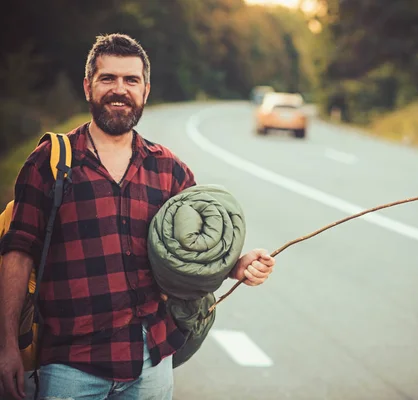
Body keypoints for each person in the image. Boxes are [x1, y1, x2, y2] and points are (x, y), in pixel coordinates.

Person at [0, 33, 276, 400]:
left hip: (150, 364)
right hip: (70, 367)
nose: (120, 89)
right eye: (108, 78)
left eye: (131, 80)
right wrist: (6, 349)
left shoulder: (169, 169)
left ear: (145, 90)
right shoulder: (50, 162)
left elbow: (188, 254)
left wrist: (237, 265)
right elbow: (16, 254)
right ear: (88, 87)